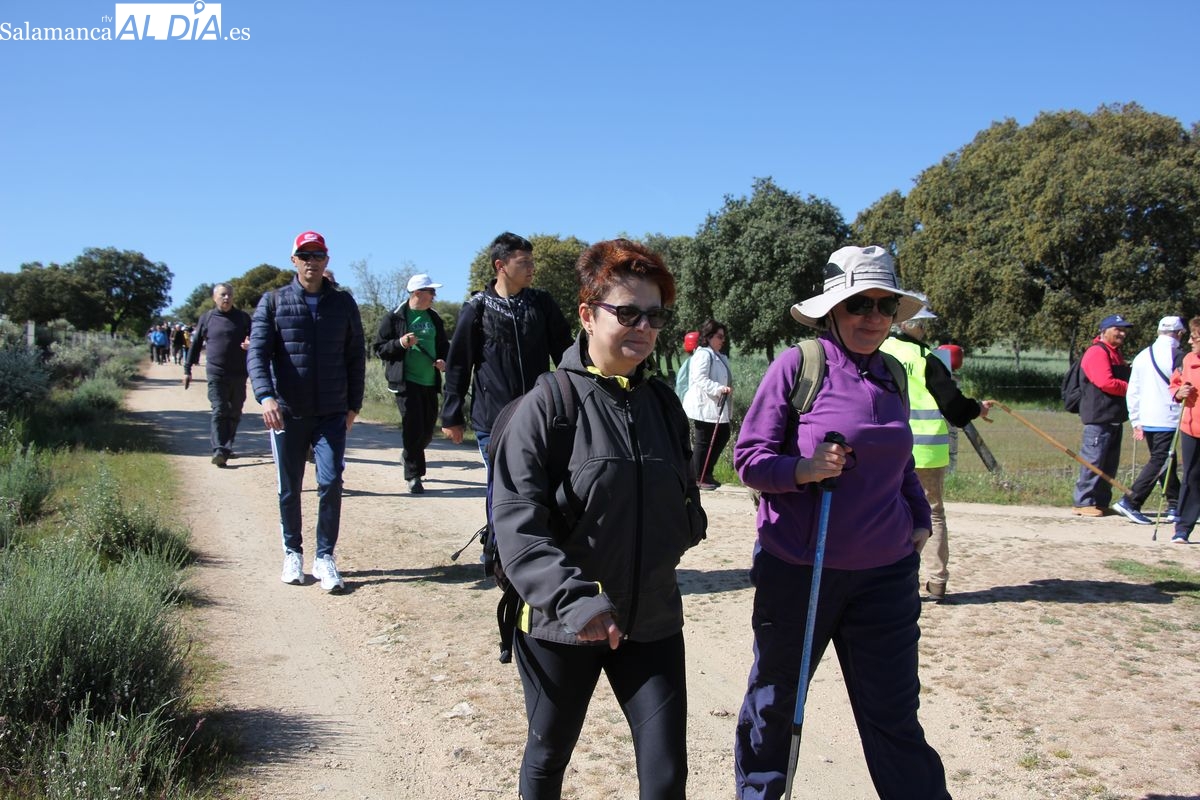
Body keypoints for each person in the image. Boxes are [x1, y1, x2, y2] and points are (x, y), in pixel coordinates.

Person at [491, 239, 707, 800]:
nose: (643, 327)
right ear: (587, 315)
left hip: (653, 619)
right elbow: (516, 522)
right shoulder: (548, 405)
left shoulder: (663, 404)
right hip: (563, 622)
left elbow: (684, 497)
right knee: (548, 759)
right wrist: (576, 601)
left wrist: (685, 526)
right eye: (627, 313)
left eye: (655, 315)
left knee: (666, 778)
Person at [733, 245, 949, 800]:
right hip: (801, 570)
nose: (873, 316)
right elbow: (749, 460)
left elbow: (900, 462)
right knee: (776, 704)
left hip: (886, 575)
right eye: (859, 304)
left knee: (893, 714)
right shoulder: (799, 366)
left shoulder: (893, 373)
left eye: (884, 305)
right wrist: (803, 469)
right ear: (833, 309)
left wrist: (918, 518)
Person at [248, 230, 366, 592]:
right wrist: (266, 397)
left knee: (330, 482)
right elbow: (258, 354)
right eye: (305, 255)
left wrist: (354, 405)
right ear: (294, 261)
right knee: (290, 487)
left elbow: (355, 356)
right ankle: (292, 552)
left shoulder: (343, 303)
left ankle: (325, 556)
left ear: (326, 260)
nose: (311, 261)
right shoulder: (273, 302)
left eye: (317, 255)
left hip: (331, 411)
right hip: (287, 411)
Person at [879, 306, 995, 602]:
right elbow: (954, 406)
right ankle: (937, 580)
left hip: (886, 449)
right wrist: (977, 408)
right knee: (932, 514)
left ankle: (890, 579)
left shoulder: (877, 351)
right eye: (924, 326)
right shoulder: (926, 358)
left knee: (884, 510)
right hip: (927, 451)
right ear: (916, 326)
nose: (926, 331)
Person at [440, 232, 573, 468]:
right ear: (500, 266)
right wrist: (452, 415)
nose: (531, 268)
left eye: (532, 261)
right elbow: (458, 365)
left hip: (538, 415)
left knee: (535, 483)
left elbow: (566, 353)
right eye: (523, 262)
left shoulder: (542, 303)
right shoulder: (477, 308)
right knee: (501, 484)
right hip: (493, 420)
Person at [372, 273, 449, 494]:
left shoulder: (434, 318)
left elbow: (443, 346)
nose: (434, 296)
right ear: (417, 293)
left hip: (430, 381)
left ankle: (408, 455)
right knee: (413, 427)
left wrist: (444, 360)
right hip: (406, 382)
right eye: (431, 291)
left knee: (428, 430)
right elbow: (379, 348)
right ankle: (414, 476)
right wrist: (400, 343)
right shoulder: (395, 317)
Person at [1113, 315, 1185, 524]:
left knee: (1165, 460)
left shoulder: (1142, 355)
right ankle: (1131, 501)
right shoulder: (1179, 356)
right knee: (1161, 460)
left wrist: (1136, 420)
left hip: (1147, 417)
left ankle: (1175, 504)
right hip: (1168, 417)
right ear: (1180, 333)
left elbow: (1133, 390)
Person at [1071, 314, 1134, 516]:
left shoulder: (1116, 353)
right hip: (1098, 417)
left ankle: (1100, 501)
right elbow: (1105, 382)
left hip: (1114, 416)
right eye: (1118, 329)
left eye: (1124, 330)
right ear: (1104, 331)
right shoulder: (1097, 352)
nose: (1122, 334)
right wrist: (1132, 388)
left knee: (1109, 463)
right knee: (1093, 460)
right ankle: (1083, 502)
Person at [184, 283, 252, 468]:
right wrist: (187, 369)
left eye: (229, 295)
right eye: (223, 295)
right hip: (216, 372)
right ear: (215, 298)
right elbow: (196, 344)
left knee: (235, 412)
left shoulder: (243, 318)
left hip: (239, 373)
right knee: (219, 410)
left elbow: (257, 340)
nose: (226, 298)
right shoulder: (207, 318)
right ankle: (219, 450)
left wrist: (251, 345)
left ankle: (226, 447)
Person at [682, 318, 733, 490]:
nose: (722, 340)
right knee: (703, 441)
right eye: (719, 336)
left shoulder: (717, 355)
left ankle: (706, 473)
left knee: (722, 434)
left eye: (723, 337)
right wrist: (719, 389)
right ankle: (698, 476)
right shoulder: (703, 354)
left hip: (714, 406)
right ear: (709, 336)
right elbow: (700, 378)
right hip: (703, 405)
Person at [1167, 317, 1200, 544]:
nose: (1189, 341)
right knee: (1191, 476)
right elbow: (1175, 384)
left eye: (1194, 338)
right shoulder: (1187, 360)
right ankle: (1183, 528)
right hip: (1191, 428)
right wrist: (1179, 393)